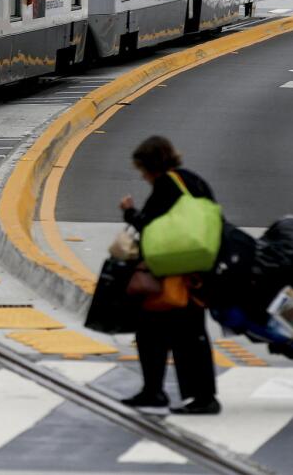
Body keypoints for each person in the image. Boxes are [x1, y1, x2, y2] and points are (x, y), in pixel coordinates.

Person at [119, 136, 221, 415]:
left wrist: (129, 213)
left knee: (157, 331)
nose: (143, 176)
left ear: (151, 166)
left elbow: (150, 228)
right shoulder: (193, 181)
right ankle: (194, 395)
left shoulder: (166, 184)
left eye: (142, 170)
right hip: (200, 269)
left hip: (174, 273)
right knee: (190, 334)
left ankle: (175, 395)